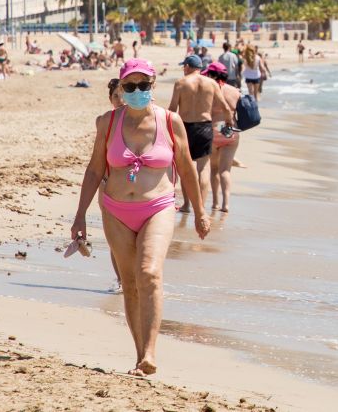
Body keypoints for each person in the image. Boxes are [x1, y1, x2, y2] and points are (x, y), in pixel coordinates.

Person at [71, 59, 208, 376]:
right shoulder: (108, 122)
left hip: (157, 206)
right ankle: (139, 357)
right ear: (120, 88)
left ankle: (150, 352)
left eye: (143, 86)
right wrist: (80, 215)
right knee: (129, 283)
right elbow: (94, 170)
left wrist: (200, 211)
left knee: (149, 273)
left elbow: (186, 168)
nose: (136, 92)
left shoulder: (170, 121)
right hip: (116, 211)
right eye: (129, 87)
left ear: (153, 86)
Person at [169, 55, 233, 213]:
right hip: (205, 127)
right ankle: (201, 207)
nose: (183, 70)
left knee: (185, 167)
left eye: (184, 67)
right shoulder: (211, 83)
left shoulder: (181, 83)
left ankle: (186, 205)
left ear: (188, 66)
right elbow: (225, 107)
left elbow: (171, 109)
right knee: (203, 169)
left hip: (184, 128)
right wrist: (229, 122)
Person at [204, 62, 240, 212]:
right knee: (225, 170)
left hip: (214, 129)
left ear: (214, 75)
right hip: (230, 130)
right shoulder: (235, 91)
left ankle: (215, 203)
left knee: (214, 168)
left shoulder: (209, 90)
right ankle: (226, 204)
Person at [102, 78, 124, 294]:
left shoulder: (139, 122)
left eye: (122, 95)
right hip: (108, 184)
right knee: (113, 239)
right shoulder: (105, 121)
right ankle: (120, 280)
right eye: (115, 97)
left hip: (131, 188)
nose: (119, 100)